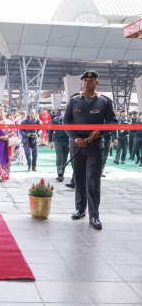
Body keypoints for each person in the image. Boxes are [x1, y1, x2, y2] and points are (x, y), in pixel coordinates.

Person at [63, 70, 117, 230]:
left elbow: (113, 122)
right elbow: (66, 121)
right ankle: (80, 209)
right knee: (79, 179)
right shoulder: (73, 101)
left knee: (93, 181)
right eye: (85, 81)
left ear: (97, 83)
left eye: (91, 80)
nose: (87, 83)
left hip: (95, 146)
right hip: (77, 146)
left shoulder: (104, 102)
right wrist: (75, 138)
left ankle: (94, 216)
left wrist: (100, 131)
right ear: (82, 83)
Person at [0, 106, 15, 181]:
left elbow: (13, 131)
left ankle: (5, 174)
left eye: (2, 113)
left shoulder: (9, 122)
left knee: (7, 159)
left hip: (7, 143)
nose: (0, 114)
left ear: (4, 113)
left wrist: (8, 136)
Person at [48, 108, 69, 182]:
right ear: (61, 112)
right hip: (58, 141)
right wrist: (50, 142)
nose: (65, 113)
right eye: (64, 112)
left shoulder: (70, 121)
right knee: (59, 158)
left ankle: (62, 172)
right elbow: (50, 131)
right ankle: (60, 174)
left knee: (65, 158)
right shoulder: (56, 120)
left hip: (67, 142)